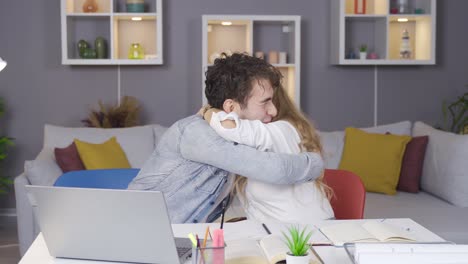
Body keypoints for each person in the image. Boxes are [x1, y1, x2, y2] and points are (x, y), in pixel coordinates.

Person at [128, 53, 325, 223]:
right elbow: (277, 170)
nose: (273, 111)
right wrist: (316, 162)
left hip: (180, 236)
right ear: (230, 108)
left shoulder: (236, 136)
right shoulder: (197, 134)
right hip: (141, 232)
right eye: (265, 102)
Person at [203, 85, 334, 223]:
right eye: (265, 102)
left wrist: (208, 110)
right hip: (288, 230)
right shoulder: (254, 143)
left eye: (271, 101)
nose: (273, 110)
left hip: (310, 233)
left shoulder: (281, 129)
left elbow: (228, 126)